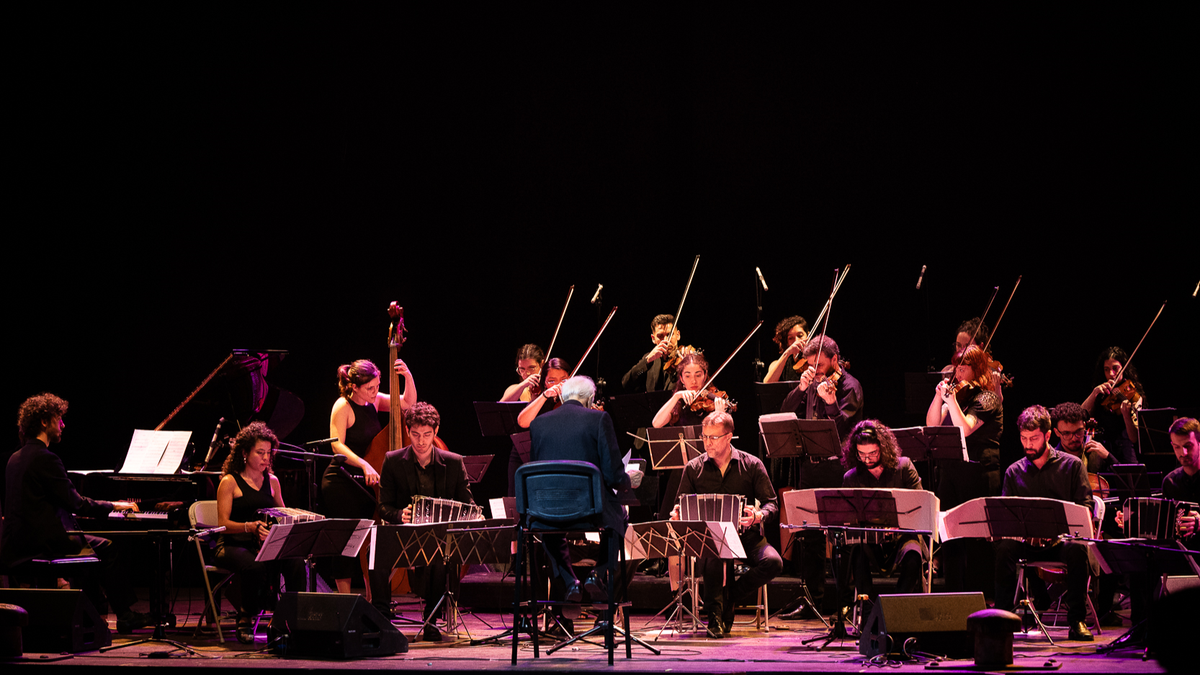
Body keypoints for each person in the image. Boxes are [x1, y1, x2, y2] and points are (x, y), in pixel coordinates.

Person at [1, 393, 149, 632]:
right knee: (106, 548)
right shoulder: (45, 458)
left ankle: (91, 617)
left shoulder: (14, 458)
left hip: (17, 544)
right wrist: (113, 505)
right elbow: (77, 504)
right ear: (44, 422)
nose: (63, 425)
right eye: (58, 419)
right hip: (41, 544)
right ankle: (124, 616)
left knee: (87, 545)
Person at [528, 376, 643, 604]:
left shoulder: (538, 423)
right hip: (589, 511)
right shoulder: (598, 418)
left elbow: (536, 471)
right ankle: (597, 574)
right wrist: (627, 480)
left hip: (547, 511)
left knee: (549, 529)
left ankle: (570, 582)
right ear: (590, 399)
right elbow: (612, 473)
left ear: (562, 398)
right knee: (620, 516)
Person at [370, 402, 475, 642]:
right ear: (408, 431)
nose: (421, 441)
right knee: (375, 549)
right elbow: (383, 506)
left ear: (436, 432)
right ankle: (382, 619)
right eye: (416, 434)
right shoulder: (393, 460)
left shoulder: (453, 462)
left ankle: (431, 620)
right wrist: (400, 515)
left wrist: (473, 515)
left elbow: (468, 503)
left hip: (437, 537)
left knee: (439, 553)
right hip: (404, 534)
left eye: (427, 434)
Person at [672, 411, 781, 638]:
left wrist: (758, 515)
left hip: (745, 536)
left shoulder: (752, 465)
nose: (707, 443)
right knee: (713, 552)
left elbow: (772, 504)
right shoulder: (693, 468)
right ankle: (715, 617)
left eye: (713, 437)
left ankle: (730, 596)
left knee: (773, 562)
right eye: (704, 437)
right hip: (709, 538)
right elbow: (679, 505)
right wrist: (677, 514)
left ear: (729, 437)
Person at [993, 405, 1095, 641]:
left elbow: (1085, 507)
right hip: (1028, 543)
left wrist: (1059, 530)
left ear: (1048, 435)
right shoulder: (1013, 471)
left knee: (1078, 550)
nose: (1028, 444)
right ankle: (1002, 620)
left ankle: (1077, 621)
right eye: (1023, 438)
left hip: (1061, 542)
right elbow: (1007, 515)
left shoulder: (1072, 465)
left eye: (1034, 438)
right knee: (1004, 549)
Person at [779, 336, 862, 616]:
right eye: (810, 365)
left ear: (834, 360)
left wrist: (831, 403)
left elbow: (845, 430)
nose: (814, 370)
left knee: (841, 536)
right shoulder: (811, 382)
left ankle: (844, 602)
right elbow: (785, 412)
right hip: (809, 467)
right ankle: (812, 601)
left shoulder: (850, 386)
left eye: (820, 365)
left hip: (837, 469)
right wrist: (800, 389)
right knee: (810, 536)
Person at [323, 358, 416, 594]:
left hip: (366, 481)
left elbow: (407, 403)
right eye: (370, 388)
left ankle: (372, 599)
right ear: (354, 387)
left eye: (377, 386)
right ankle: (345, 602)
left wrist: (407, 376)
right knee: (345, 541)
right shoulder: (343, 406)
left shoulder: (373, 402)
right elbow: (337, 445)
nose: (375, 392)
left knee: (366, 540)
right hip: (342, 480)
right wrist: (363, 464)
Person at [214, 422, 305, 643]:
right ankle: (245, 618)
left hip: (263, 544)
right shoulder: (229, 482)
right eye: (260, 452)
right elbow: (222, 523)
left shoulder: (272, 481)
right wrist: (250, 526)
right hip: (232, 544)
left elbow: (283, 515)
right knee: (254, 565)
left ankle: (291, 618)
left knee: (295, 562)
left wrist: (294, 521)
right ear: (245, 453)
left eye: (268, 453)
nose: (266, 458)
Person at [838, 421, 925, 607]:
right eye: (861, 454)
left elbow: (921, 505)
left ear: (883, 449)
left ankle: (896, 607)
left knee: (913, 554)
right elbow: (848, 517)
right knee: (857, 552)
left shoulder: (904, 467)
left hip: (903, 536)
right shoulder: (851, 478)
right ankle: (870, 610)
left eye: (873, 453)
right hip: (871, 540)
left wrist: (899, 526)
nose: (867, 459)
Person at [510, 358, 572, 496]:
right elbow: (522, 421)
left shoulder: (575, 400)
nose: (558, 385)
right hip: (531, 460)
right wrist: (545, 395)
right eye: (552, 381)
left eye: (564, 380)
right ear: (544, 382)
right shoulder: (542, 400)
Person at [1081, 346, 1144, 465]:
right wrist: (1094, 393)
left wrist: (1126, 415)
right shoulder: (1101, 392)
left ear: (1123, 368)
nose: (1111, 374)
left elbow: (1134, 438)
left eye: (1115, 368)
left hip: (1126, 450)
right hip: (1102, 448)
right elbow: (1080, 415)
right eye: (1106, 369)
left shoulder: (1133, 394)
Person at [650, 351, 728, 429]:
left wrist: (719, 416)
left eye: (698, 375)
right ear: (682, 379)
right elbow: (656, 424)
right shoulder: (678, 402)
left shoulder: (714, 401)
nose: (693, 381)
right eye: (687, 376)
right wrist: (676, 396)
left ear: (705, 376)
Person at [621, 314, 683, 394]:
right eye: (660, 336)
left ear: (678, 335)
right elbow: (626, 384)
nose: (666, 340)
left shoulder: (686, 357)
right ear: (653, 338)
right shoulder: (650, 359)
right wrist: (646, 361)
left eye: (669, 334)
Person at [1050, 402, 1113, 477]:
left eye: (1078, 431)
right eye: (1067, 433)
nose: (1074, 438)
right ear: (1057, 432)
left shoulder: (1098, 454)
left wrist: (1108, 457)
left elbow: (1123, 480)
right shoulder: (1051, 463)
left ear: (1084, 426)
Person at [762, 315, 809, 383]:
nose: (796, 341)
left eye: (800, 335)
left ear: (808, 335)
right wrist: (787, 353)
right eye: (790, 338)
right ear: (787, 343)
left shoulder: (816, 360)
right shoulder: (779, 364)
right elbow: (767, 384)